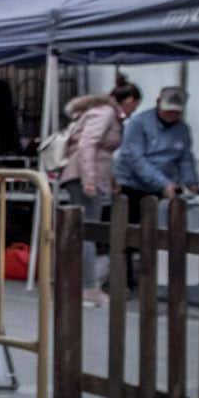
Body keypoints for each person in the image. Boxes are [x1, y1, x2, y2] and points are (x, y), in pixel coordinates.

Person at [59, 81, 139, 304]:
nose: (134, 111)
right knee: (88, 231)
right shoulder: (105, 113)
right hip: (84, 176)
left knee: (85, 229)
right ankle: (87, 286)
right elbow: (88, 146)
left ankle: (80, 283)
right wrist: (90, 179)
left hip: (90, 176)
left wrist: (110, 179)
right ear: (130, 101)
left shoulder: (106, 113)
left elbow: (101, 152)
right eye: (135, 105)